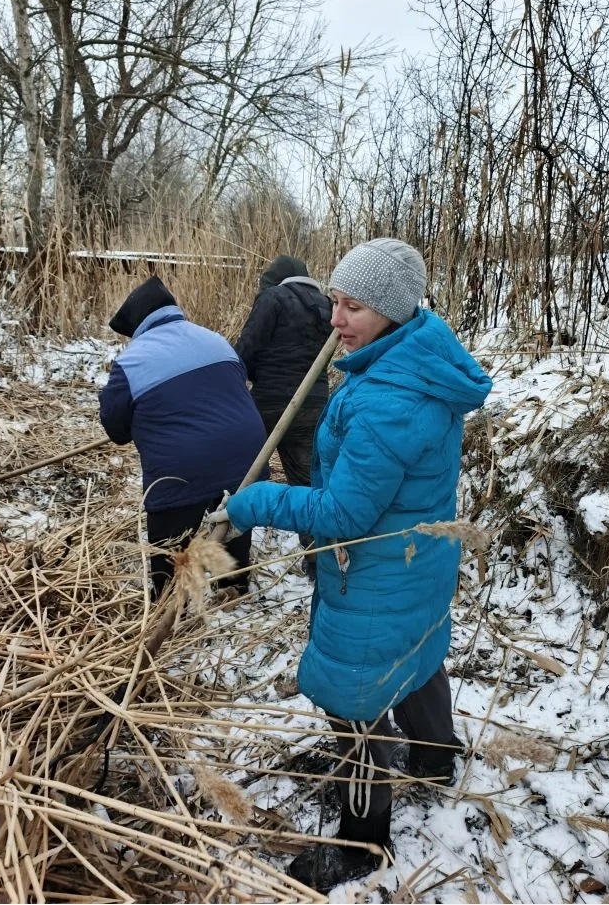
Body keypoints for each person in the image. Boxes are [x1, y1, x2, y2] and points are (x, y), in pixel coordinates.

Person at [207, 238, 492, 893]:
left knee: (355, 700)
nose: (335, 319)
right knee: (415, 653)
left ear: (392, 311)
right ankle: (435, 757)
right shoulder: (411, 362)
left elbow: (342, 512)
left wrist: (256, 501)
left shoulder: (391, 400)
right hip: (414, 561)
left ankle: (363, 843)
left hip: (378, 570)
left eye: (353, 306)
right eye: (334, 301)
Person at [98, 274, 267, 599]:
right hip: (247, 451)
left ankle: (169, 600)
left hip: (183, 466)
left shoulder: (132, 361)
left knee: (170, 538)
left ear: (137, 326)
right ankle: (233, 584)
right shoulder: (216, 340)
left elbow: (116, 429)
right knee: (233, 514)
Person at [234, 255, 333, 576]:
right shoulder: (328, 305)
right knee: (307, 484)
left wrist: (250, 376)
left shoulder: (273, 297)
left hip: (269, 403)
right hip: (313, 404)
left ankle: (232, 564)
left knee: (241, 479)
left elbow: (245, 350)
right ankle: (318, 562)